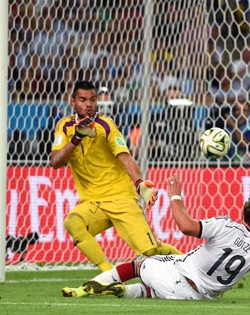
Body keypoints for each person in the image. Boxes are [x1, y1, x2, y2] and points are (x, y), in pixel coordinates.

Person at [62, 174, 250, 302]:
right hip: (197, 298)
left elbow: (185, 226)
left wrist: (175, 197)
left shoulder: (225, 224)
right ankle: (125, 291)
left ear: (242, 213)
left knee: (139, 265)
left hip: (178, 275)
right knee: (150, 290)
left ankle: (88, 287)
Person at [50, 80, 181, 280]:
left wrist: (139, 184)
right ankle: (109, 276)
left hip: (121, 199)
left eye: (92, 100)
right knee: (73, 223)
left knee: (151, 252)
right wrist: (76, 139)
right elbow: (55, 161)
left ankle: (189, 264)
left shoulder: (105, 125)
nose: (89, 105)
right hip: (93, 203)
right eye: (83, 100)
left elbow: (125, 157)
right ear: (72, 102)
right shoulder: (64, 126)